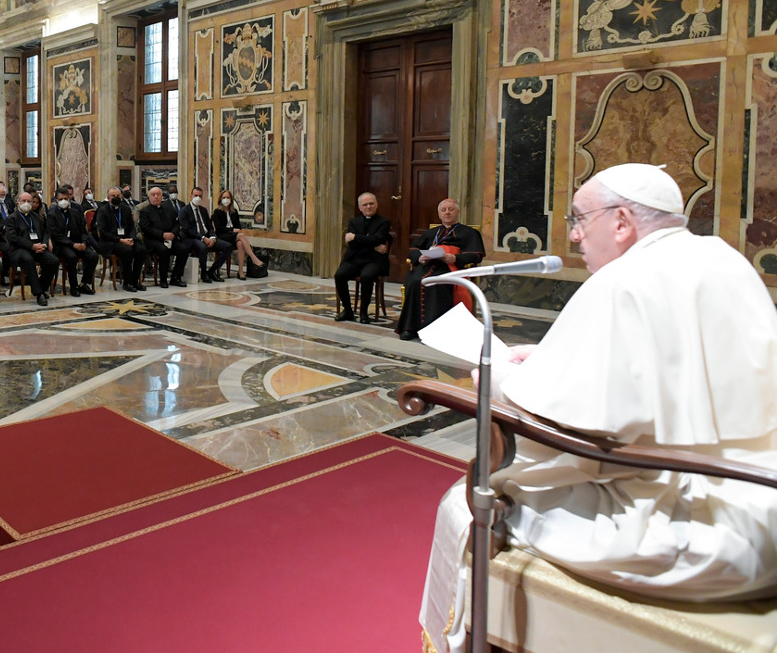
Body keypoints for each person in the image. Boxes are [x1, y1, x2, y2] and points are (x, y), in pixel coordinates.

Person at [419, 164, 777, 652]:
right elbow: (675, 368)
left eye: (581, 219)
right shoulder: (721, 258)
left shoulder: (622, 282)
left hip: (686, 527)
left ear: (623, 221)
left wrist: (500, 382)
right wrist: (548, 359)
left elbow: (577, 443)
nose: (573, 234)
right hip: (763, 501)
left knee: (460, 508)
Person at [395, 198, 484, 341]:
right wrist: (420, 258)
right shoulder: (431, 232)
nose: (447, 212)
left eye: (451, 209)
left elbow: (476, 255)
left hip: (451, 268)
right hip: (428, 266)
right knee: (414, 281)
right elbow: (412, 249)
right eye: (444, 210)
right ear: (439, 214)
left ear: (458, 212)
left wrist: (455, 258)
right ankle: (410, 328)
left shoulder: (469, 232)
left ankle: (436, 332)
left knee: (438, 284)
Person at [333, 192, 392, 324]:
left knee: (367, 277)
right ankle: (347, 310)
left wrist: (355, 237)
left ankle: (364, 312)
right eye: (365, 204)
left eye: (371, 203)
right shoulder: (353, 222)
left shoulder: (384, 222)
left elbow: (378, 238)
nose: (368, 207)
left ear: (376, 205)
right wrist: (373, 245)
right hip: (355, 258)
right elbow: (352, 243)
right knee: (340, 275)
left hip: (374, 261)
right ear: (360, 207)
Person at [4, 191, 58, 307]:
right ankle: (39, 294)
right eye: (24, 201)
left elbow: (44, 233)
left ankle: (42, 288)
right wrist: (32, 246)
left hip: (37, 248)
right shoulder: (11, 218)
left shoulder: (36, 217)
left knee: (53, 261)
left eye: (29, 201)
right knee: (28, 259)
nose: (27, 203)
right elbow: (14, 238)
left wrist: (43, 244)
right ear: (18, 202)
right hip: (19, 250)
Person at [95, 187, 147, 292]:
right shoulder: (102, 211)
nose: (116, 198)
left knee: (141, 250)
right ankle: (127, 282)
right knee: (127, 251)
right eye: (113, 196)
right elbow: (103, 232)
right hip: (111, 242)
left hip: (127, 239)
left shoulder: (126, 209)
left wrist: (131, 238)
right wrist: (120, 240)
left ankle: (135, 281)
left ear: (122, 196)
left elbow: (132, 227)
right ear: (108, 198)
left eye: (118, 196)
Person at [47, 187, 97, 296]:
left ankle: (84, 283)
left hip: (78, 243)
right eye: (61, 199)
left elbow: (83, 231)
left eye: (66, 198)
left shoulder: (75, 213)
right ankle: (73, 286)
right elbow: (55, 235)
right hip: (62, 245)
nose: (64, 201)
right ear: (56, 201)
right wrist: (73, 244)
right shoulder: (52, 214)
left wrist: (83, 243)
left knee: (93, 255)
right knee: (71, 257)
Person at [138, 186, 191, 288]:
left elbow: (176, 224)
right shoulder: (145, 211)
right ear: (149, 197)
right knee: (164, 250)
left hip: (170, 238)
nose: (156, 197)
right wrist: (162, 235)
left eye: (158, 194)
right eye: (153, 195)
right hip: (153, 240)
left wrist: (173, 234)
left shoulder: (168, 209)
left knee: (183, 249)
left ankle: (176, 277)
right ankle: (163, 279)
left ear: (162, 196)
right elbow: (146, 229)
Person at [180, 186, 231, 282]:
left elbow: (209, 226)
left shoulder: (203, 210)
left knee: (227, 246)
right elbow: (187, 230)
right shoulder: (184, 210)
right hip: (192, 238)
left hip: (207, 236)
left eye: (200, 196)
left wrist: (212, 237)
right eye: (195, 195)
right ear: (191, 196)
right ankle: (204, 273)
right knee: (202, 247)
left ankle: (212, 271)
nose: (197, 198)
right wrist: (203, 238)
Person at [212, 189, 266, 278]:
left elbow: (239, 227)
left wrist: (235, 231)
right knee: (241, 235)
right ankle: (254, 258)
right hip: (222, 236)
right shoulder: (217, 212)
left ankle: (240, 272)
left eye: (228, 197)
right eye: (224, 197)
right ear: (221, 199)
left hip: (233, 236)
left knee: (240, 243)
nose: (226, 199)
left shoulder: (234, 212)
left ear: (231, 199)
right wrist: (232, 230)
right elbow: (219, 228)